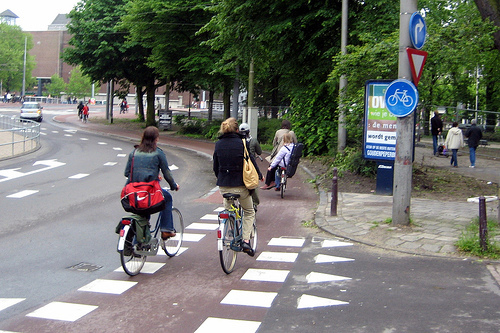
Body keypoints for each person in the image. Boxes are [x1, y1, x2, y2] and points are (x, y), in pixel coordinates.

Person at [213, 118, 262, 256]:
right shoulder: (243, 143)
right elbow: (251, 160)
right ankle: (245, 240)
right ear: (236, 130)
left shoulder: (218, 144)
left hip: (223, 186)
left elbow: (215, 167)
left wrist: (221, 179)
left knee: (228, 208)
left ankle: (230, 226)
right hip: (240, 186)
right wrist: (259, 174)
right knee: (249, 211)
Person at [124, 126, 180, 240]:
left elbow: (127, 173)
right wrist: (174, 186)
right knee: (167, 198)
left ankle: (138, 241)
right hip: (149, 191)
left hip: (133, 192)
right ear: (156, 139)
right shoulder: (158, 153)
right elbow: (167, 173)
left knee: (142, 210)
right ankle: (166, 230)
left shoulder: (134, 152)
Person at [261, 119, 297, 190]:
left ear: (282, 125)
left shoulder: (278, 132)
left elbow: (274, 143)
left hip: (280, 153)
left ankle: (268, 183)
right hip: (290, 156)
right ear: (289, 126)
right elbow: (296, 143)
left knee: (272, 166)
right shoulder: (292, 133)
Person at [239, 122, 263, 207]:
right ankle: (255, 203)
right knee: (254, 183)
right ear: (249, 131)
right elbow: (259, 152)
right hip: (250, 165)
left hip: (240, 166)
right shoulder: (253, 141)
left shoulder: (237, 141)